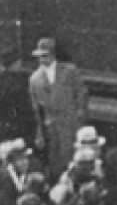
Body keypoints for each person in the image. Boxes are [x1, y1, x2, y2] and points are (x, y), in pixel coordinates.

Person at [28, 37, 87, 177]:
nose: (42, 60)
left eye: (45, 56)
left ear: (53, 55)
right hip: (51, 126)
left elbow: (81, 92)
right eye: (39, 57)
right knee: (54, 161)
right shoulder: (34, 79)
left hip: (70, 122)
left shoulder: (69, 71)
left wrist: (80, 115)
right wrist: (39, 133)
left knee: (72, 156)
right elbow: (37, 109)